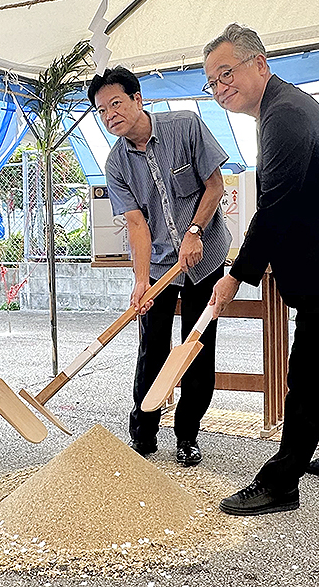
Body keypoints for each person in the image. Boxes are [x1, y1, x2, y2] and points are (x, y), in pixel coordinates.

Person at [203, 24, 319, 515]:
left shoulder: (283, 116)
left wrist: (235, 273)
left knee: (308, 371)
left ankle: (281, 481)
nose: (220, 89)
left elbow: (275, 207)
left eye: (226, 74)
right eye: (211, 83)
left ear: (259, 63)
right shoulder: (282, 109)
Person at [87, 66, 231, 466]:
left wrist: (195, 231)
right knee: (152, 349)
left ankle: (188, 436)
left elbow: (215, 186)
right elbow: (137, 224)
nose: (110, 114)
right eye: (102, 110)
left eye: (116, 103)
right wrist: (140, 281)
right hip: (160, 267)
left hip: (205, 255)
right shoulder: (116, 164)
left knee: (196, 349)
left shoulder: (185, 126)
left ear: (137, 99)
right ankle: (144, 434)